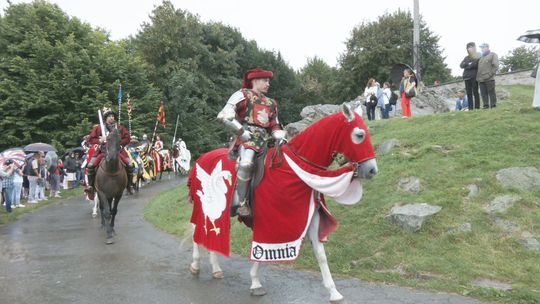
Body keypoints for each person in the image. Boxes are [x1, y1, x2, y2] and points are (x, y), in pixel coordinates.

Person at [217, 68, 286, 217]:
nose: (268, 84)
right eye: (265, 81)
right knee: (246, 163)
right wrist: (241, 132)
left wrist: (279, 134)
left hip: (266, 141)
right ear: (255, 81)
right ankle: (241, 203)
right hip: (247, 139)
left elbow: (274, 123)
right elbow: (224, 115)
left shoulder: (271, 103)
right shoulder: (242, 95)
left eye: (269, 81)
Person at [84, 107, 134, 200]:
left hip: (118, 152)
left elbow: (127, 138)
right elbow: (91, 139)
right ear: (105, 118)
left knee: (130, 165)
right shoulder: (99, 128)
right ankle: (91, 187)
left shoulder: (119, 128)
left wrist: (119, 142)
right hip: (102, 152)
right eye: (109, 116)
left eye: (113, 116)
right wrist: (100, 140)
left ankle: (129, 185)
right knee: (90, 166)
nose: (112, 118)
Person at [476, 43, 499, 109]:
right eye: (481, 48)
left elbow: (495, 66)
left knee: (491, 93)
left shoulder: (493, 55)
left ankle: (493, 106)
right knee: (483, 93)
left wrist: (490, 74)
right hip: (481, 79)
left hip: (489, 78)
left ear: (487, 47)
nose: (482, 49)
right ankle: (485, 106)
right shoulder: (481, 58)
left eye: (483, 47)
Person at [460, 42, 481, 110]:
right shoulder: (466, 57)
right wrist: (468, 64)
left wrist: (467, 65)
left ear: (474, 48)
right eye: (468, 48)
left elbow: (475, 64)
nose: (469, 49)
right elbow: (461, 65)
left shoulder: (478, 55)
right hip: (466, 77)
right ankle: (471, 108)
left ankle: (477, 107)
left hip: (474, 77)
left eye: (471, 47)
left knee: (475, 92)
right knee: (469, 94)